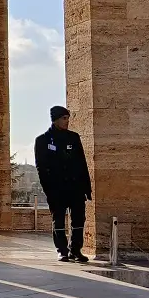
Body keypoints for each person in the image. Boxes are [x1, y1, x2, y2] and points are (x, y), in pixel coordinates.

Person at [35, 105, 92, 263]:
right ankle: (62, 250)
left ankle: (76, 250)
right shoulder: (43, 140)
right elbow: (41, 167)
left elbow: (82, 163)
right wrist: (49, 189)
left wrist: (86, 188)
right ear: (55, 120)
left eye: (68, 118)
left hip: (75, 187)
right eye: (64, 118)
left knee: (78, 219)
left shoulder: (73, 138)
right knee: (58, 220)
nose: (67, 122)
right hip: (56, 189)